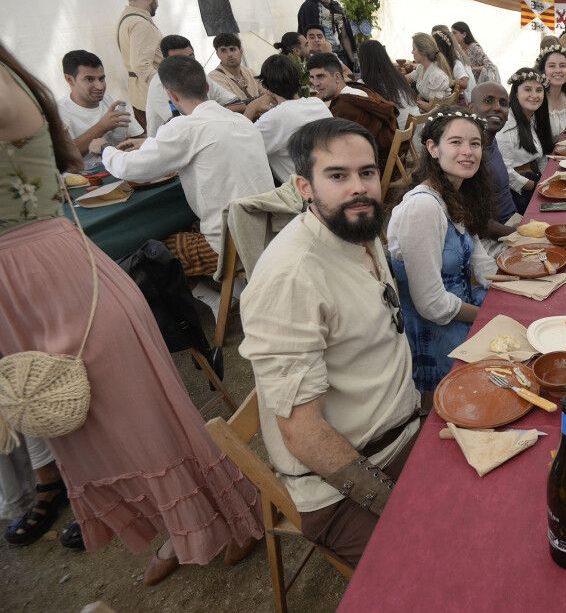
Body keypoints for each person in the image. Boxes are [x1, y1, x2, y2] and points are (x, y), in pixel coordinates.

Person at [0, 41, 260, 585]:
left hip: (48, 275)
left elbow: (133, 161)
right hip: (28, 281)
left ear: (170, 92)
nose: (99, 87)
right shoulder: (220, 119)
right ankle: (177, 528)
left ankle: (222, 520)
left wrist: (120, 148)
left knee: (140, 425)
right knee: (78, 425)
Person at [239, 117, 422, 567]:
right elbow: (302, 432)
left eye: (367, 172)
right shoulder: (291, 276)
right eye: (337, 176)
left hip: (406, 429)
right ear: (305, 186)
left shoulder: (357, 227)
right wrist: (392, 503)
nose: (358, 187)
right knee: (440, 566)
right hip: (344, 486)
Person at [96, 56, 273, 289]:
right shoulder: (240, 121)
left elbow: (129, 168)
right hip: (268, 232)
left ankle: (212, 298)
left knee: (153, 249)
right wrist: (149, 144)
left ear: (172, 95)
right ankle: (232, 292)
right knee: (188, 224)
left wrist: (103, 150)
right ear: (208, 87)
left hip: (234, 246)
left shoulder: (183, 128)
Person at [387, 107, 497, 394]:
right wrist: (489, 317)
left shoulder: (453, 193)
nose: (468, 152)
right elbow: (431, 304)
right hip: (437, 333)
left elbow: (481, 262)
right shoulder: (423, 207)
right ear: (433, 148)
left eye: (475, 144)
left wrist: (512, 291)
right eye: (456, 142)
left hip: (462, 310)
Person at [247, 54, 332, 182]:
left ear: (267, 88)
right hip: (333, 180)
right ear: (299, 79)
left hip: (304, 195)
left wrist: (252, 107)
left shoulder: (273, 118)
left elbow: (241, 145)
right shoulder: (317, 103)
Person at [56, 49, 144, 171]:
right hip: (85, 181)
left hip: (119, 171)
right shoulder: (58, 113)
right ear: (69, 79)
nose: (100, 86)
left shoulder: (110, 101)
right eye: (90, 79)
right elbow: (65, 159)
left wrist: (130, 143)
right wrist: (102, 127)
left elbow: (137, 137)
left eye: (102, 79)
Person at [308, 52, 398, 165]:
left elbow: (340, 150)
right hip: (388, 160)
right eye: (312, 77)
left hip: (373, 168)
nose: (315, 83)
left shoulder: (344, 107)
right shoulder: (358, 90)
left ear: (337, 77)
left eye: (320, 76)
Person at [144, 35, 244, 137]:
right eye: (181, 60)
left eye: (191, 57)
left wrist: (209, 115)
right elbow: (181, 126)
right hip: (170, 144)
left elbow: (238, 104)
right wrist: (215, 113)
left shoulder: (199, 75)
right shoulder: (159, 84)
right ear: (167, 62)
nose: (189, 63)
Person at [496, 68, 554, 213]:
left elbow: (539, 157)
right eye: (528, 90)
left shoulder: (532, 117)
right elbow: (504, 171)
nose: (534, 95)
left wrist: (546, 181)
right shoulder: (506, 125)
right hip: (519, 194)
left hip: (535, 182)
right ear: (516, 93)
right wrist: (533, 185)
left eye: (539, 90)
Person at [470, 81, 520, 243]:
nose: (498, 107)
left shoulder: (491, 140)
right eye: (488, 101)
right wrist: (519, 235)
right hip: (492, 240)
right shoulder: (470, 154)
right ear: (471, 108)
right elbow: (480, 224)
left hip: (513, 222)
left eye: (503, 103)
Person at [116, 0, 162, 128]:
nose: (157, 1)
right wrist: (169, 86)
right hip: (151, 97)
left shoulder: (126, 18)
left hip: (141, 95)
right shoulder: (140, 23)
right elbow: (141, 65)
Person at [296, 0, 358, 72]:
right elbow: (305, 37)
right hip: (320, 58)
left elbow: (345, 36)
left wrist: (353, 61)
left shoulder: (337, 7)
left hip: (341, 55)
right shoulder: (308, 7)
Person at [358, 39, 420, 128]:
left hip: (400, 137)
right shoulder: (397, 76)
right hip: (417, 132)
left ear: (363, 61)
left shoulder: (365, 84)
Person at [209, 32, 264, 103]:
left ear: (241, 51)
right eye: (223, 51)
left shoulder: (250, 72)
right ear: (217, 54)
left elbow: (266, 94)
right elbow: (233, 105)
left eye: (232, 49)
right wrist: (260, 101)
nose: (229, 54)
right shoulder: (214, 77)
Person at [537, 44, 566, 138]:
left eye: (562, 65)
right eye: (552, 66)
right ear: (543, 71)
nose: (558, 70)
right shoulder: (536, 100)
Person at [408, 32, 453, 111]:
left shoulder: (436, 75)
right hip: (428, 113)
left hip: (438, 117)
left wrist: (416, 101)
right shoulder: (421, 67)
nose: (412, 52)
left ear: (423, 52)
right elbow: (408, 78)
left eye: (414, 49)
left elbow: (432, 108)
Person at [432, 25, 474, 97]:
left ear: (441, 47)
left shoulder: (455, 63)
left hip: (455, 99)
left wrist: (449, 81)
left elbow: (464, 83)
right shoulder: (436, 61)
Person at [274, 31, 311, 96]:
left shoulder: (281, 64)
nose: (309, 48)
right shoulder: (290, 70)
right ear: (296, 51)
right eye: (306, 45)